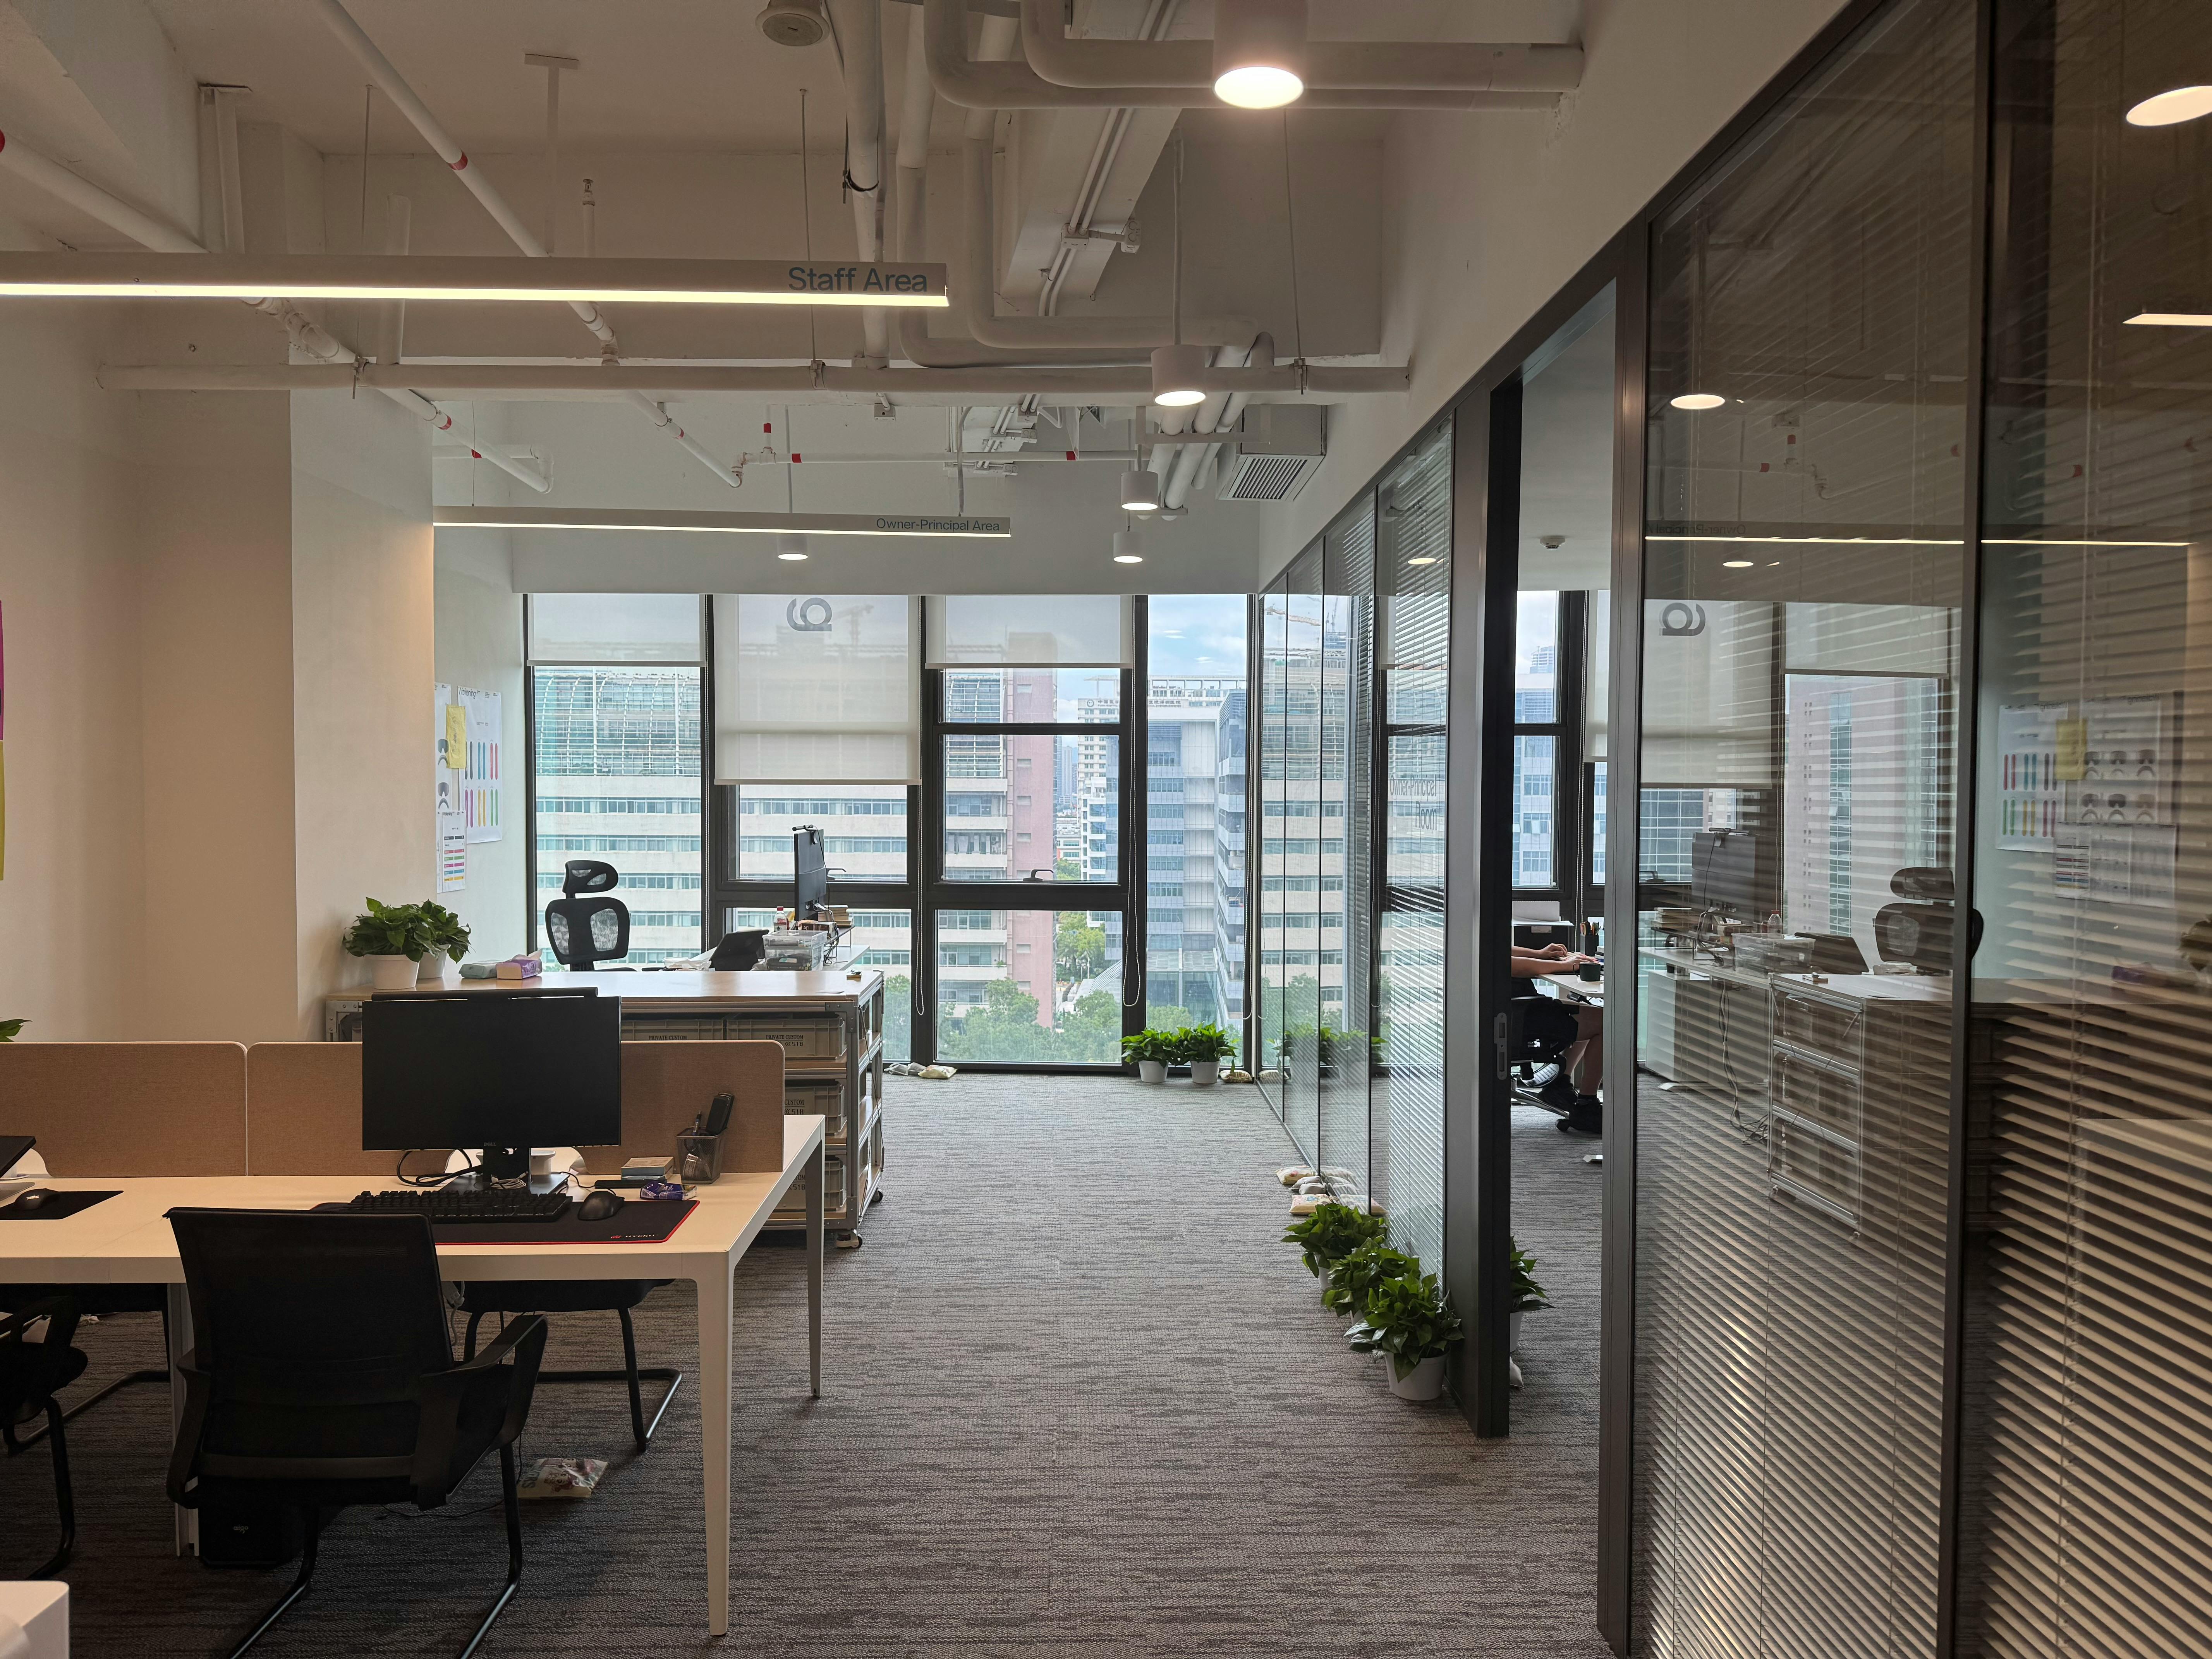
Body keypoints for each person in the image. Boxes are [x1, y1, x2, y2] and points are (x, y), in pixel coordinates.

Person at [1511, 941, 1603, 1135]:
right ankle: (1587, 1106)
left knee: (1584, 1012)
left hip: (1514, 1010)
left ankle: (1560, 1086)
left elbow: (1498, 948)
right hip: (1515, 1017)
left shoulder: (1473, 925)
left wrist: (1538, 953)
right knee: (1606, 1023)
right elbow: (1510, 964)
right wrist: (1565, 966)